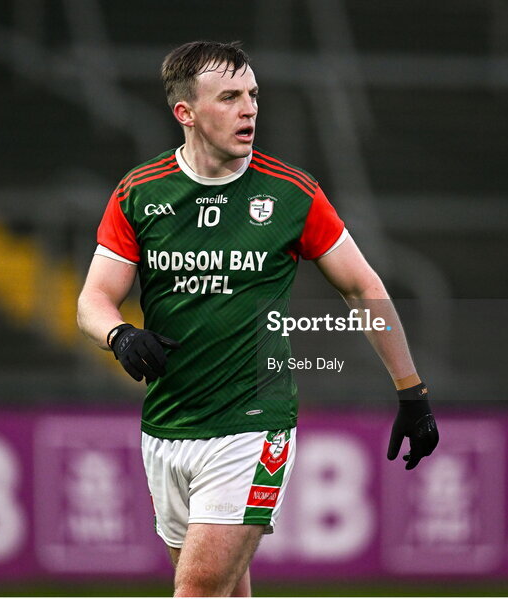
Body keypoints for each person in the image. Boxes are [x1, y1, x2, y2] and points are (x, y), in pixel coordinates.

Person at [77, 40, 438, 597]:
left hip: (254, 423)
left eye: (252, 95)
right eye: (229, 97)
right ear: (185, 113)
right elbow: (92, 300)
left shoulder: (291, 193)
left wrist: (411, 392)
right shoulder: (139, 193)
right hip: (169, 426)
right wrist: (119, 333)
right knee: (225, 589)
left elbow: (363, 287)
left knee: (196, 589)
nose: (249, 108)